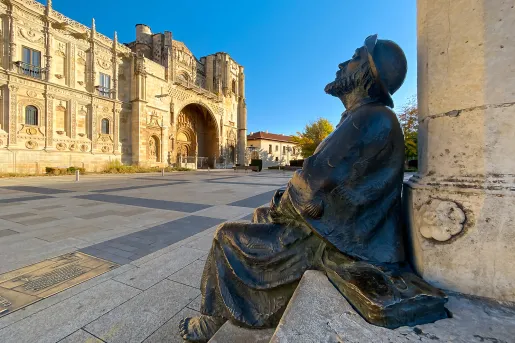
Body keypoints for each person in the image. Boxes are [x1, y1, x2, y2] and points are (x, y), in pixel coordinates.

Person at [180, 35, 447, 343]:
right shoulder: (364, 117)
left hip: (344, 241)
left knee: (227, 237)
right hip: (344, 230)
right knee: (261, 216)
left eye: (355, 58)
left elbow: (312, 182)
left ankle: (210, 320)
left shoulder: (371, 117)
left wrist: (285, 199)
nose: (343, 64)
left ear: (366, 75)